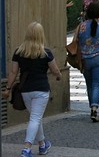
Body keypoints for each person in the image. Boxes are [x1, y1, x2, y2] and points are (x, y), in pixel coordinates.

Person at [1, 22, 62, 157]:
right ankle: (27, 148)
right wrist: (58, 76)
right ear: (41, 35)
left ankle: (42, 145)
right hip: (41, 90)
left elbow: (13, 72)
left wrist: (8, 88)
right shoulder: (45, 52)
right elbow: (55, 70)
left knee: (35, 118)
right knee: (35, 118)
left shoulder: (19, 52)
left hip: (25, 90)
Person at [77, 2, 99, 122]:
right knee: (97, 84)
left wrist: (79, 59)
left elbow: (76, 44)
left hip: (86, 59)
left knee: (89, 84)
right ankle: (94, 108)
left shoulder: (80, 27)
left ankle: (91, 105)